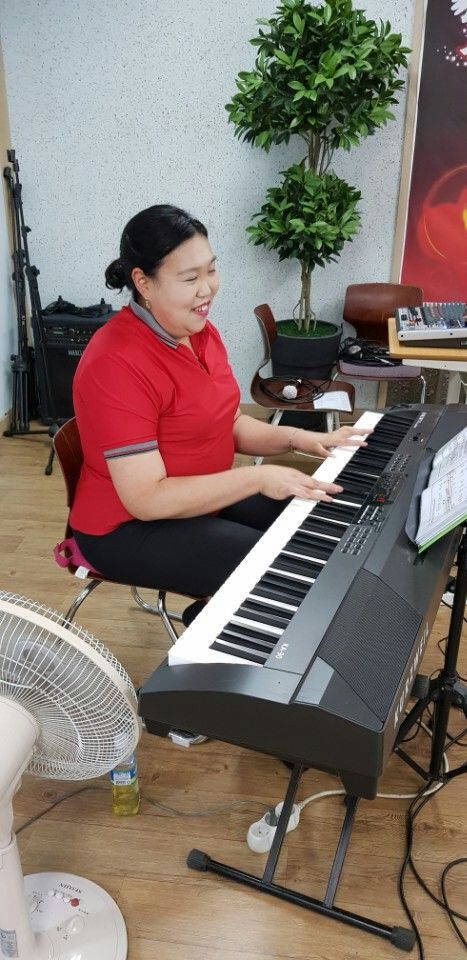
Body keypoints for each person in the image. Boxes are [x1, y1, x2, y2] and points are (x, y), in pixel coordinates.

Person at [71, 204, 369, 625]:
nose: (207, 289)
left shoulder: (198, 332)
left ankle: (218, 614)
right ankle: (217, 631)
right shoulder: (115, 362)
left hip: (198, 499)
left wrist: (300, 439)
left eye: (211, 270)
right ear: (143, 282)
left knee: (315, 521)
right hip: (126, 527)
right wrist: (258, 478)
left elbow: (228, 423)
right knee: (279, 570)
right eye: (190, 278)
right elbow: (146, 499)